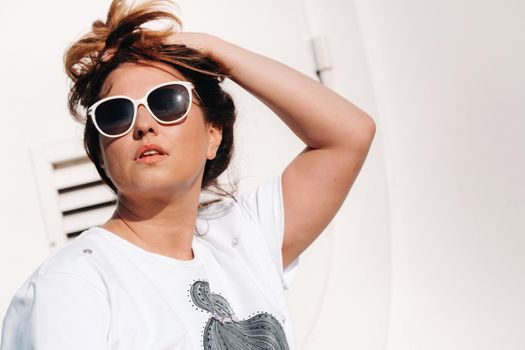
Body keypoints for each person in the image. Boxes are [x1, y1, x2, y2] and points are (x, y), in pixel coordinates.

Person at [0, 0, 376, 349]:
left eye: (168, 101)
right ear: (99, 149)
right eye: (117, 113)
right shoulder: (73, 287)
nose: (144, 125)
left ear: (213, 134)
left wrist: (216, 51)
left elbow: (349, 135)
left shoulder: (244, 238)